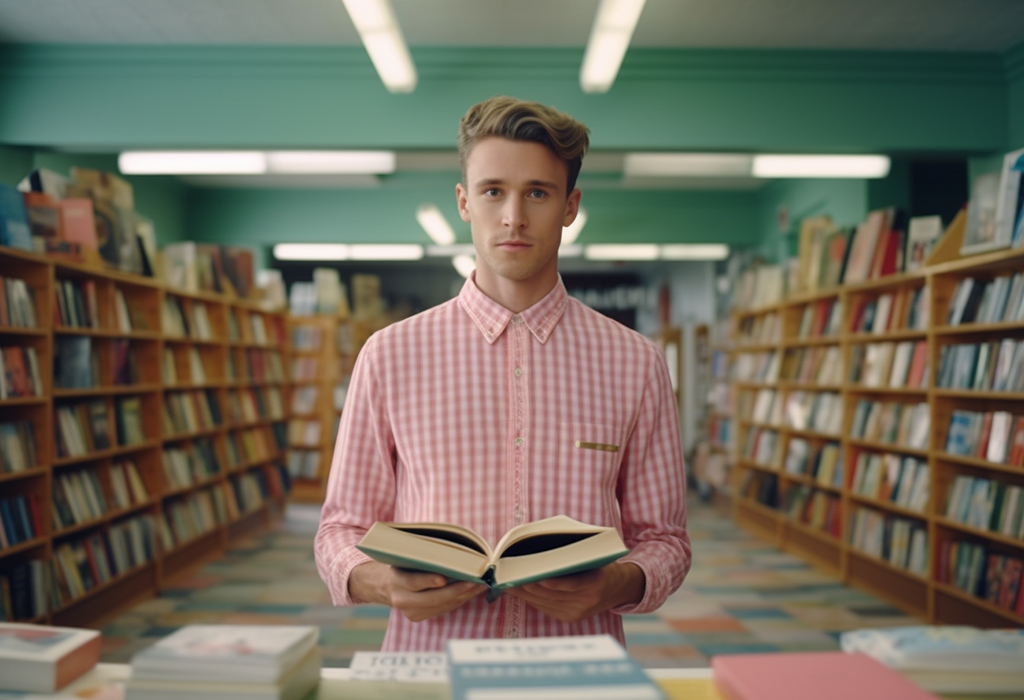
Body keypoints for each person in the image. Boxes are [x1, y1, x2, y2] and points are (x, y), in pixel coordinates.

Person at [314, 95, 691, 652]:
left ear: (570, 206)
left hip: (576, 669)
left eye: (537, 192)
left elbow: (666, 541)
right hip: (432, 669)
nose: (513, 216)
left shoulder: (636, 361)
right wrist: (380, 581)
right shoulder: (389, 354)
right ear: (465, 202)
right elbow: (338, 530)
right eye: (493, 191)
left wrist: (613, 583)